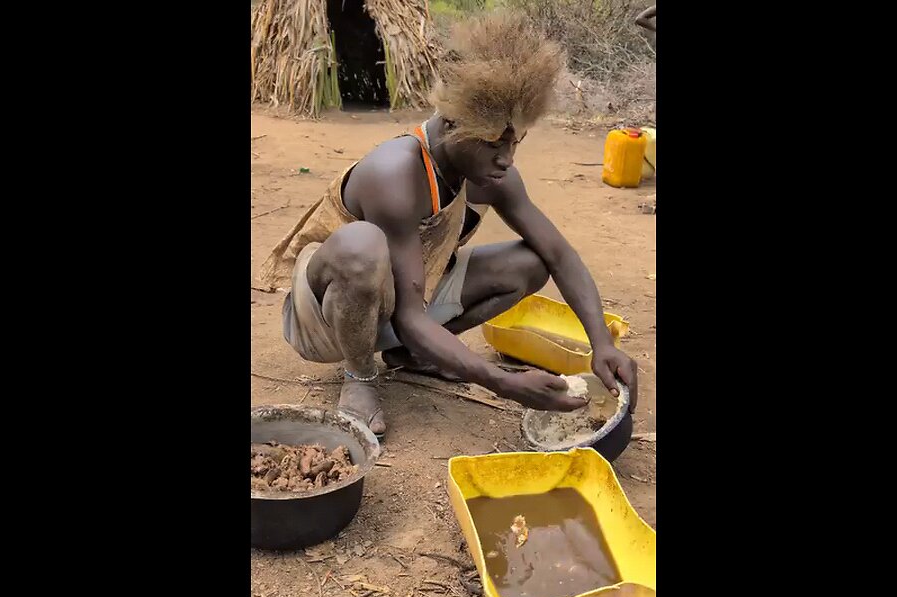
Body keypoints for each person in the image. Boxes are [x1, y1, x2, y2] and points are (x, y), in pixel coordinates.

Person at [258, 11, 638, 439]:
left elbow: (560, 254)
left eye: (515, 141)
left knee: (530, 262)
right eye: (494, 143)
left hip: (409, 303)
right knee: (361, 246)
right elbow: (407, 314)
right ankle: (360, 378)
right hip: (327, 320)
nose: (507, 159)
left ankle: (416, 355)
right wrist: (500, 381)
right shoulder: (396, 174)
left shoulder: (492, 176)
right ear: (454, 124)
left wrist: (601, 343)